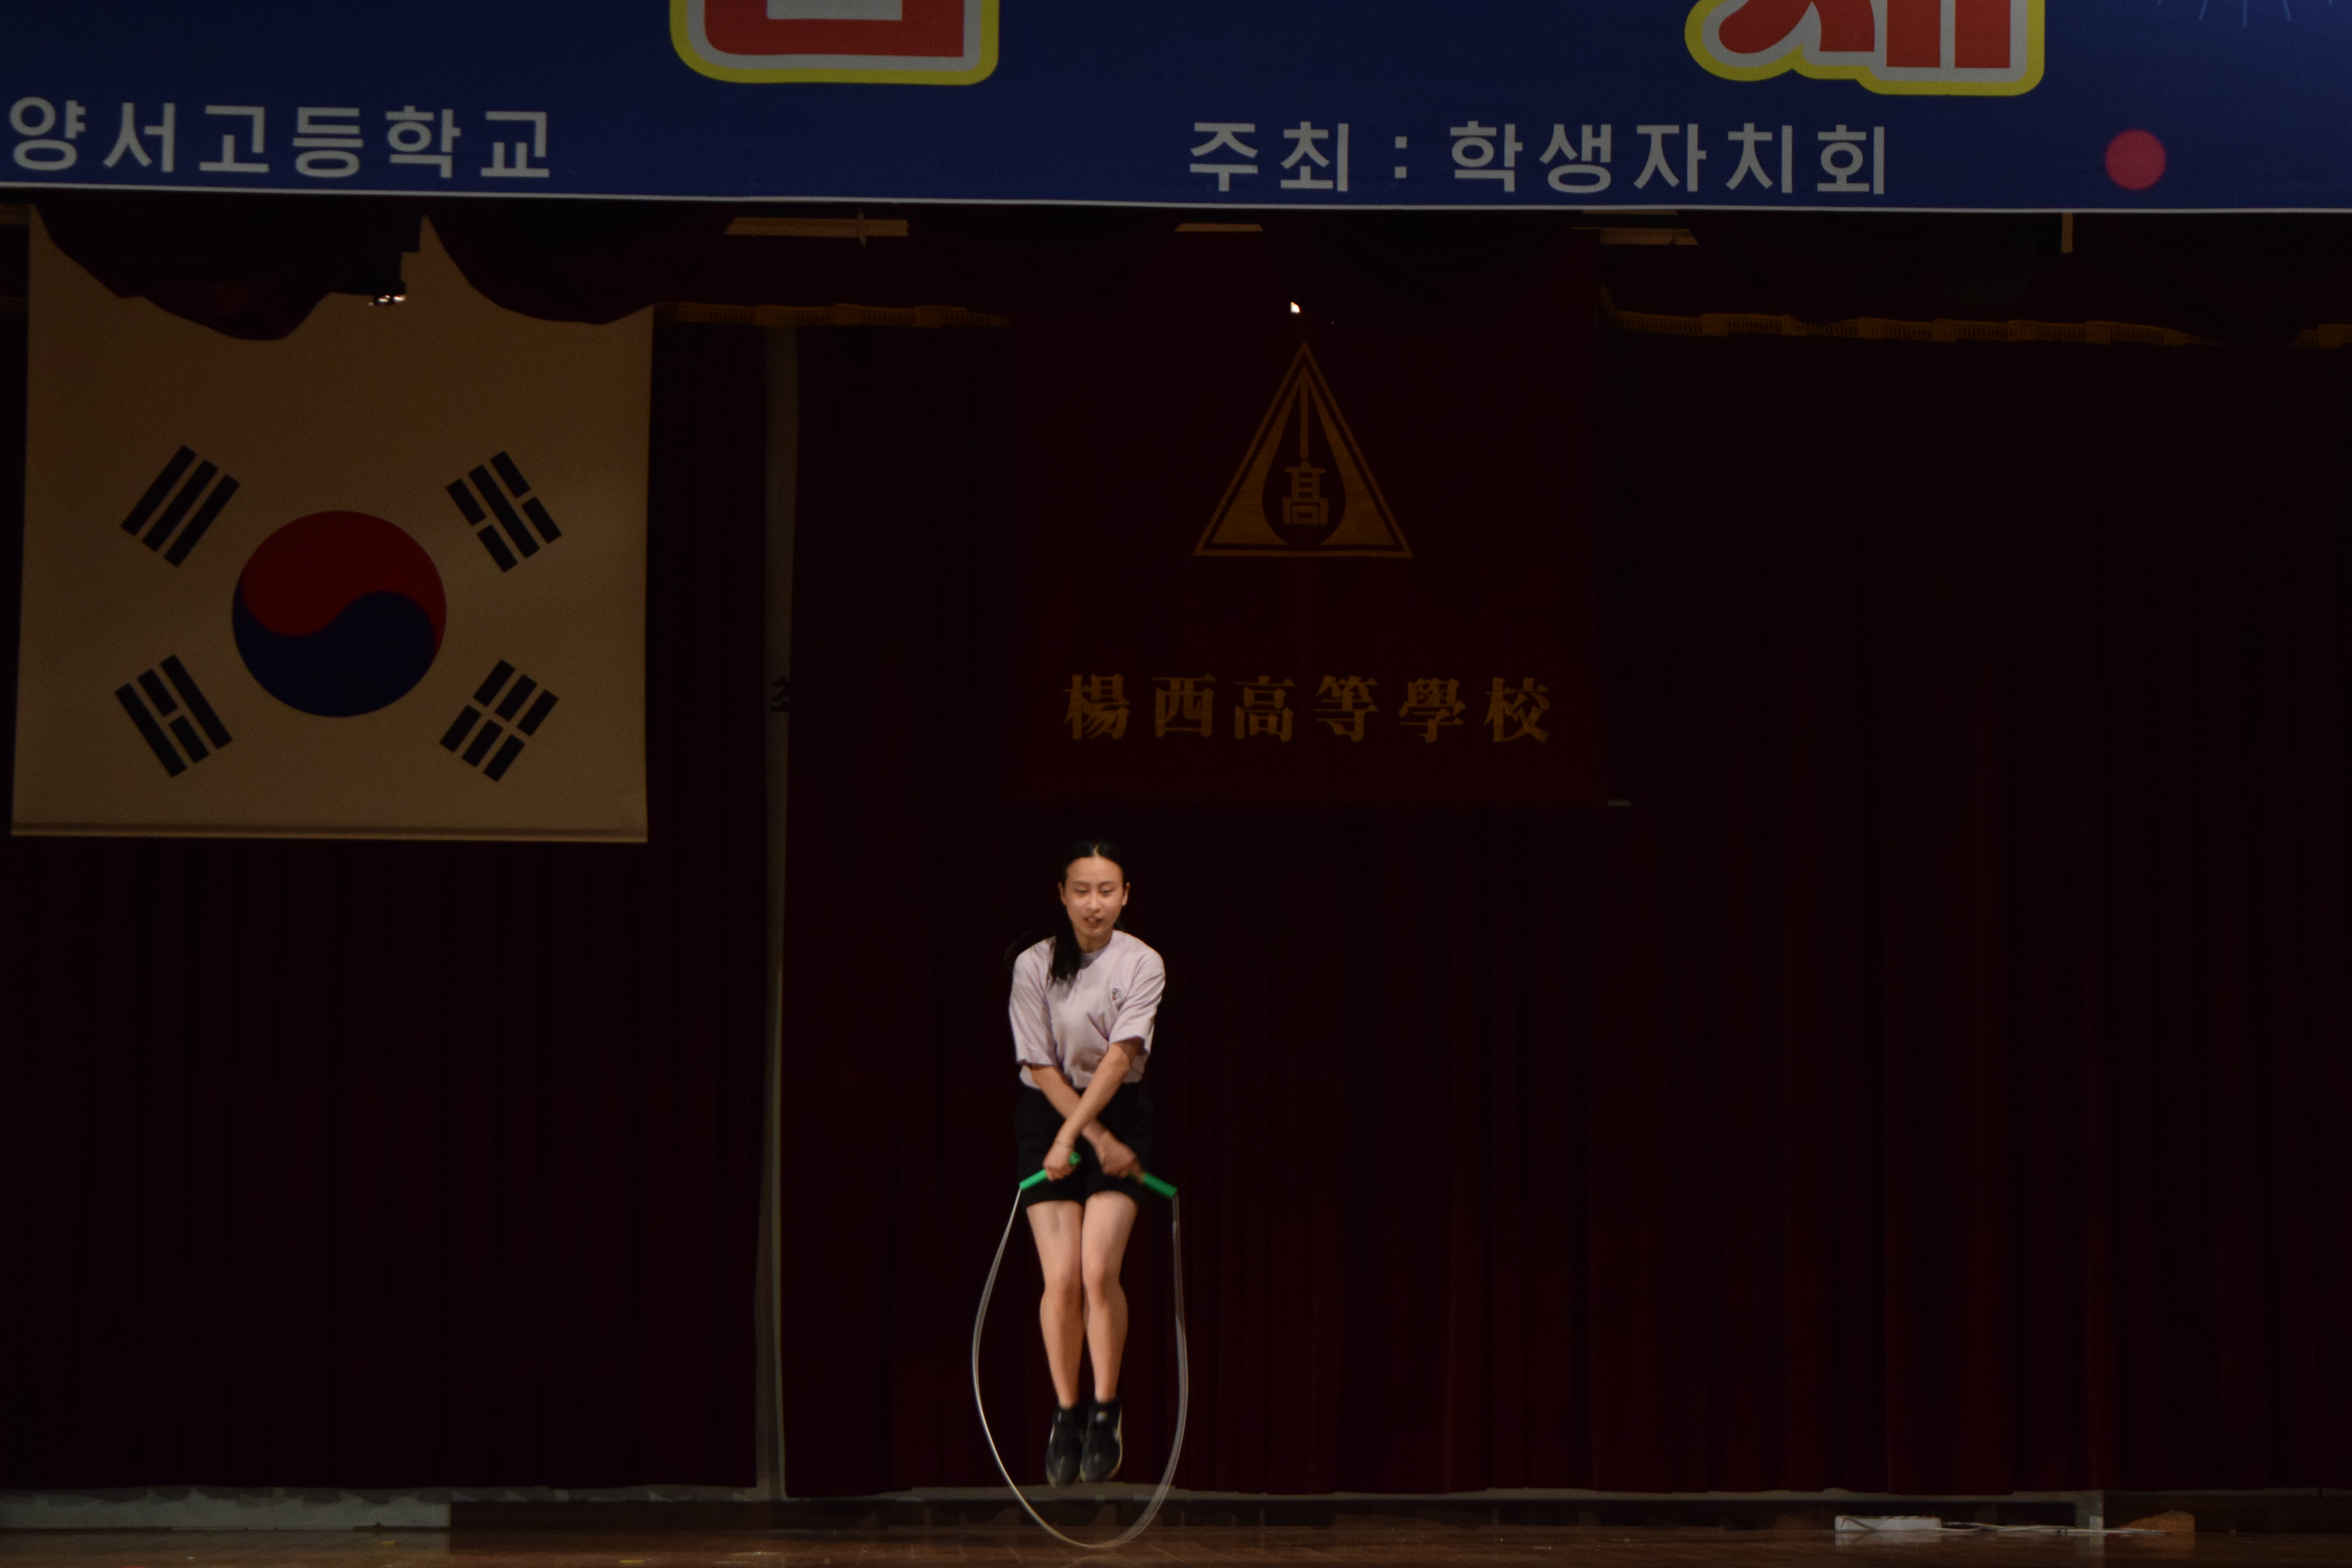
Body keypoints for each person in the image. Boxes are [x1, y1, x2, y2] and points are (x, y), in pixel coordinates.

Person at [1007, 838, 1165, 1488]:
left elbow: (1121, 1058)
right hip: (1048, 1114)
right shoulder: (1034, 964)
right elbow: (1039, 1063)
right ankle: (1066, 1413)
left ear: (1125, 896)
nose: (1094, 904)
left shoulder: (1142, 961)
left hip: (1119, 1115)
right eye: (1081, 891)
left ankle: (1106, 1410)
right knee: (1063, 1278)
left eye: (1106, 891)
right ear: (1062, 896)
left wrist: (1093, 1136)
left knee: (1099, 1270)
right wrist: (1075, 1137)